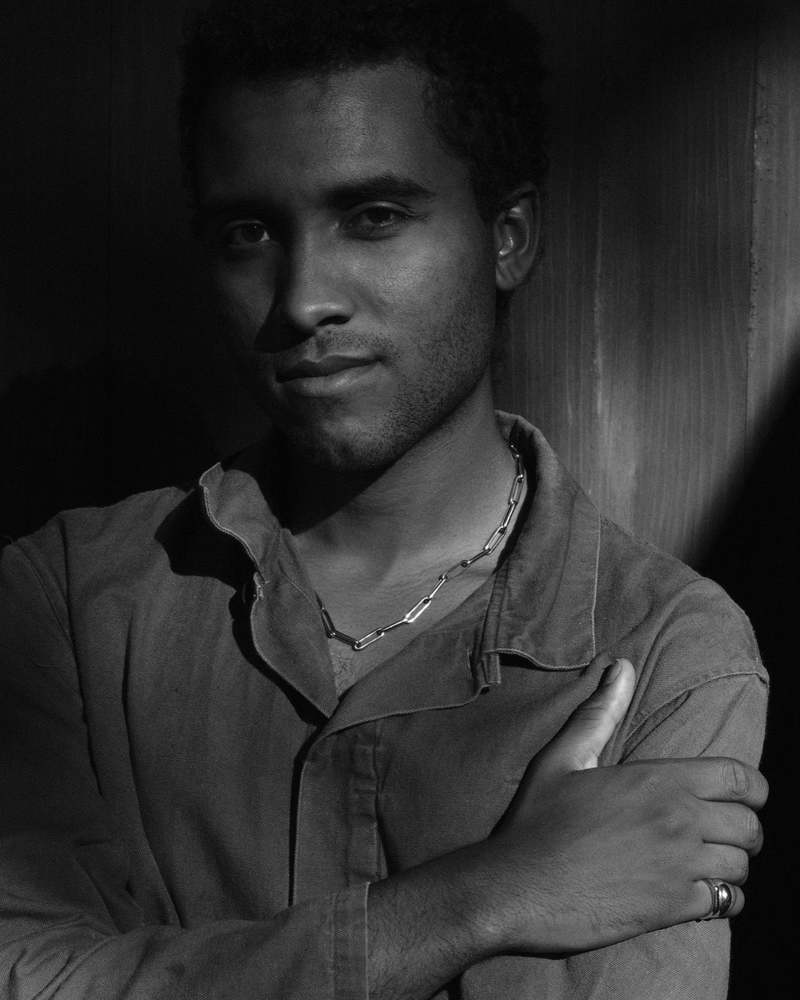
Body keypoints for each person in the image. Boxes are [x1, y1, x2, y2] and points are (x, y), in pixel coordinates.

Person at [0, 0, 768, 997]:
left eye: (373, 217)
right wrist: (485, 896)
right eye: (248, 231)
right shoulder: (65, 601)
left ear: (508, 237)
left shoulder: (659, 649)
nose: (302, 298)